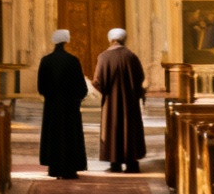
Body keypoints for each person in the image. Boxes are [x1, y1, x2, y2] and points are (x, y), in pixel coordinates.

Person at [92, 27, 147, 173]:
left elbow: (97, 81)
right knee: (130, 129)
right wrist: (134, 92)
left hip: (111, 103)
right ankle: (132, 163)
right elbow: (140, 77)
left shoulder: (103, 57)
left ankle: (115, 163)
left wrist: (106, 92)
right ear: (124, 39)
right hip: (130, 102)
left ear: (110, 39)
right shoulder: (131, 56)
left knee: (112, 129)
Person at [37, 28, 90, 179]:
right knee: (70, 135)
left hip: (52, 106)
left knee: (53, 134)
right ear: (66, 41)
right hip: (70, 107)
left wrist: (51, 96)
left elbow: (41, 87)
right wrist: (77, 98)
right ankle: (69, 169)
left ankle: (54, 168)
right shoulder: (72, 61)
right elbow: (81, 87)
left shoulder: (46, 60)